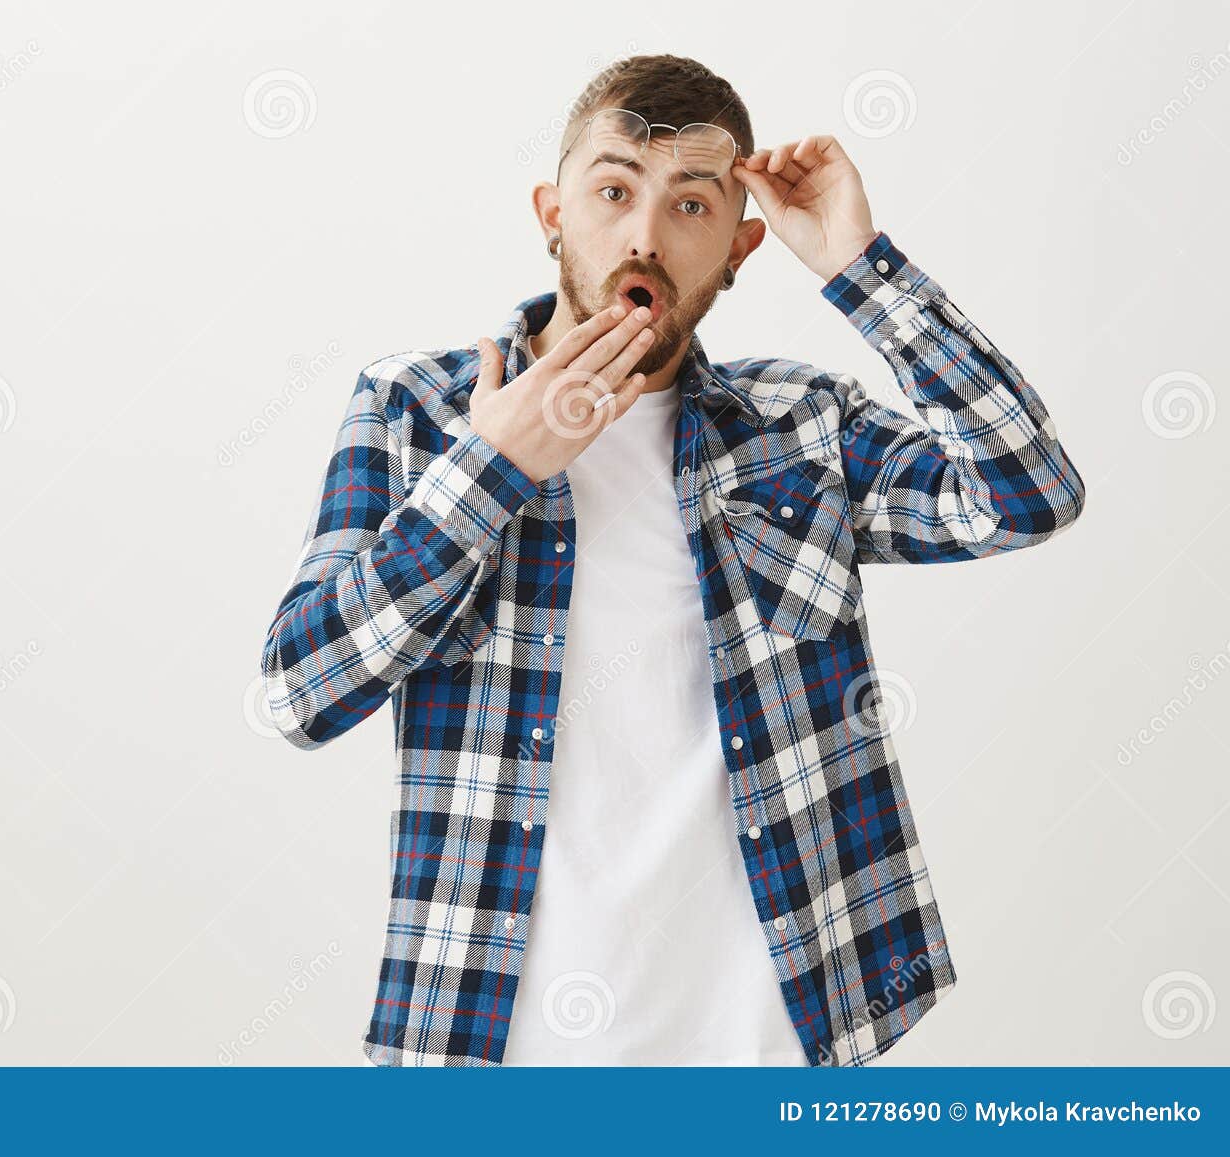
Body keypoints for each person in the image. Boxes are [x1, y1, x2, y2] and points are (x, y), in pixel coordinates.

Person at [259, 53, 1085, 1067]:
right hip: (490, 1046)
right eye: (612, 191)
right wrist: (494, 468)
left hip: (777, 1044)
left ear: (739, 246)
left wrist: (858, 268)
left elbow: (1028, 491)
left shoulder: (800, 425)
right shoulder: (412, 410)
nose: (643, 234)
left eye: (690, 205)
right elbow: (300, 692)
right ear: (550, 211)